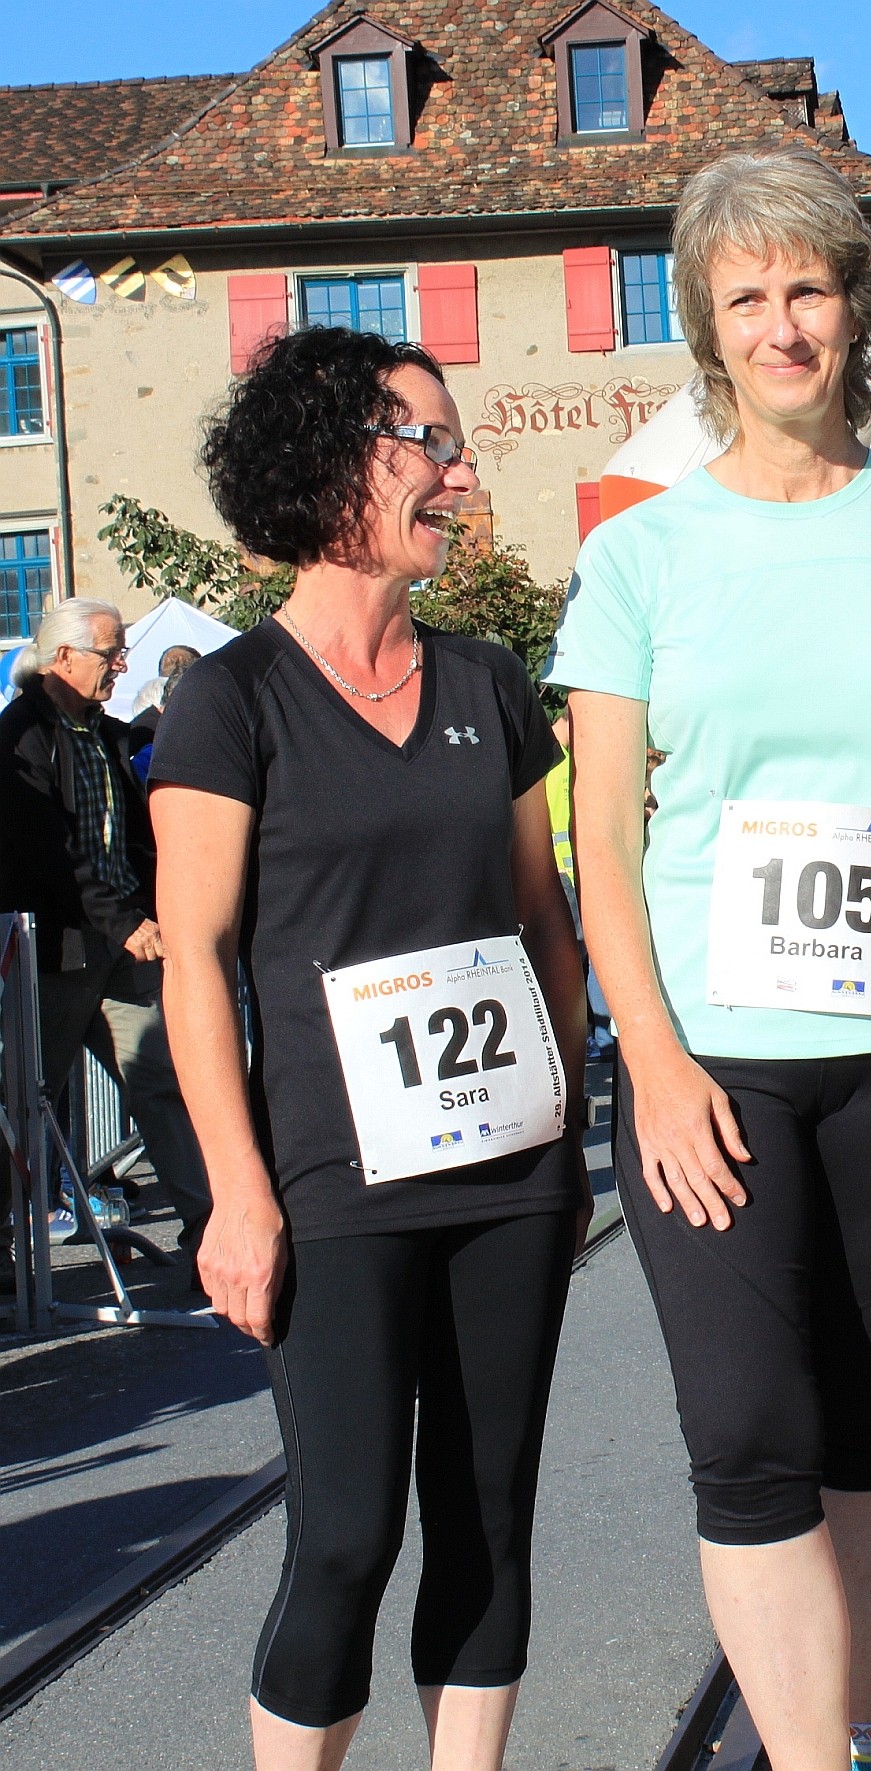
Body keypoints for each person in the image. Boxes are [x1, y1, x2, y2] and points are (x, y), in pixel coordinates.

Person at [549, 148, 871, 1771]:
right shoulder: (642, 557)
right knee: (748, 1432)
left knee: (868, 1424)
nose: (784, 323)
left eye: (809, 287)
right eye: (748, 297)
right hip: (711, 1060)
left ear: (857, 310)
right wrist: (649, 1062)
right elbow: (599, 832)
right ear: (709, 329)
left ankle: (851, 1716)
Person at [149, 325, 588, 1771]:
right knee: (344, 1533)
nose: (458, 475)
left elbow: (543, 922)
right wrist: (237, 1188)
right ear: (338, 457)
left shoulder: (488, 686)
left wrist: (571, 1105)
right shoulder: (231, 702)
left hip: (508, 1173)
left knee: (488, 1517)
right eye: (433, 442)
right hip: (332, 1181)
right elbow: (200, 961)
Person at [0, 598, 211, 1262]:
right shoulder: (20, 738)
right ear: (62, 658)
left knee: (162, 1081)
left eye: (121, 651)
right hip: (56, 954)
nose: (122, 663)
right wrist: (125, 922)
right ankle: (5, 1248)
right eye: (110, 652)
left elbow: (133, 842)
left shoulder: (104, 731)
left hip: (122, 944)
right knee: (25, 1104)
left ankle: (210, 1232)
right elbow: (52, 852)